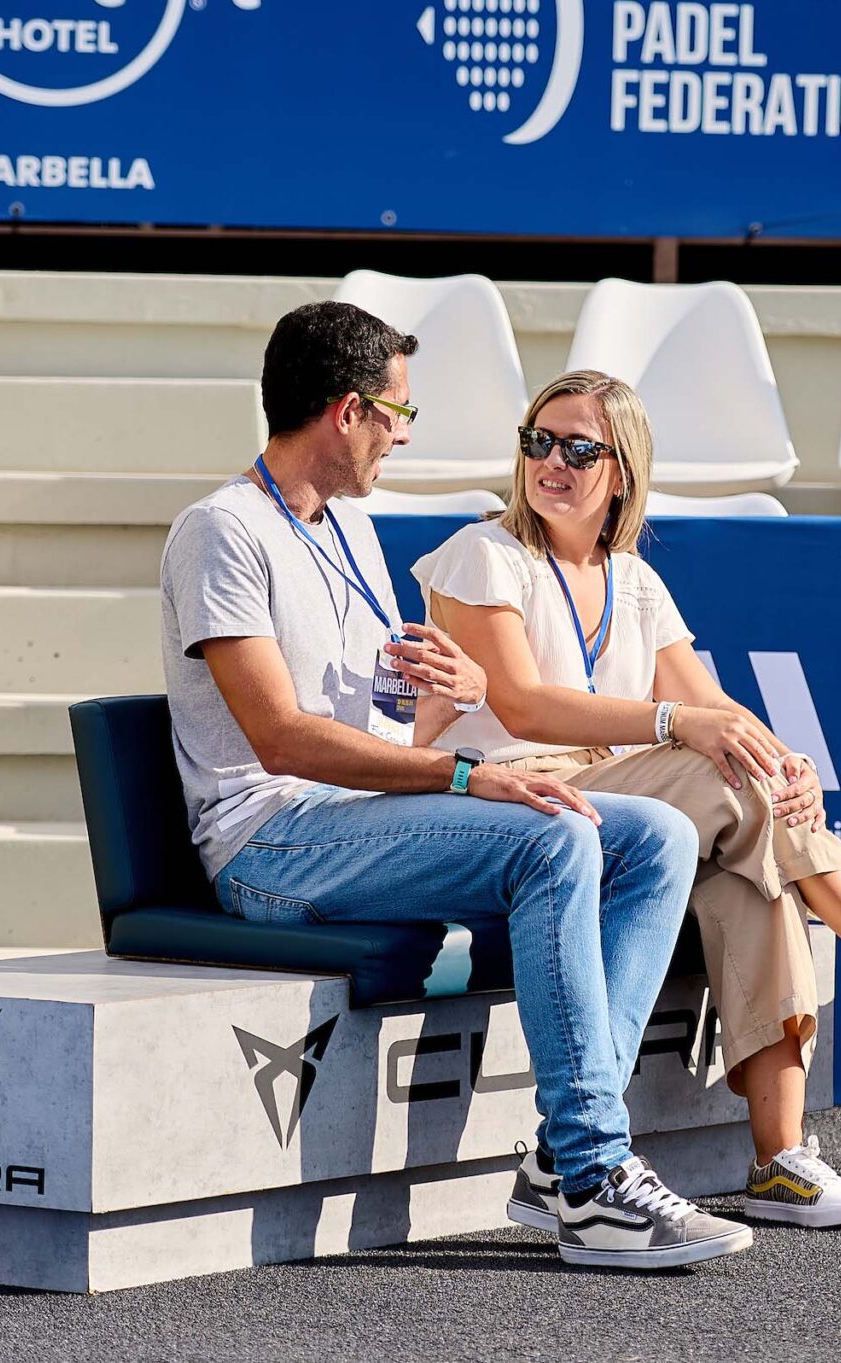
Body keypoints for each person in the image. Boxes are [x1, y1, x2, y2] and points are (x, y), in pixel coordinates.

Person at [161, 305, 750, 1270]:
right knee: (552, 835)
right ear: (349, 412)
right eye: (398, 413)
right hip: (271, 840)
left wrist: (459, 699)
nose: (402, 434)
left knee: (656, 836)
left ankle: (563, 1157)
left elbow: (381, 726)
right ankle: (595, 1175)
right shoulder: (222, 531)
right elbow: (283, 738)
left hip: (364, 818)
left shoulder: (350, 528)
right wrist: (471, 774)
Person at [409, 370, 841, 1229]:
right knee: (723, 772)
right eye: (538, 441)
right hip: (513, 794)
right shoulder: (482, 552)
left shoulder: (632, 578)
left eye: (579, 448)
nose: (551, 461)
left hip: (616, 807)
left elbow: (713, 705)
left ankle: (779, 1159)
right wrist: (681, 725)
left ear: (622, 471)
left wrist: (788, 762)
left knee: (753, 877)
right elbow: (522, 706)